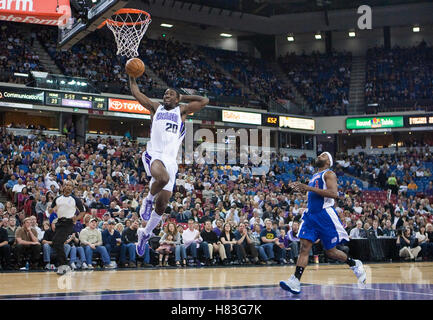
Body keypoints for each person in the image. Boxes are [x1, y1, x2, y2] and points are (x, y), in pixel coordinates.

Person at [129, 74, 210, 257]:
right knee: (162, 178)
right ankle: (147, 199)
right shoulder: (155, 108)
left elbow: (204, 100)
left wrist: (183, 97)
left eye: (170, 94)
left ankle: (145, 234)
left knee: (163, 204)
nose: (167, 96)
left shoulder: (181, 111)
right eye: (165, 94)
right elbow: (136, 93)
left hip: (171, 160)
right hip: (154, 154)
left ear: (176, 98)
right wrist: (131, 76)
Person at [280, 152, 366, 294]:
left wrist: (307, 188)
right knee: (304, 248)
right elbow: (314, 194)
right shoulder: (314, 176)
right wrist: (298, 189)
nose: (320, 156)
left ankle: (354, 264)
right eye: (320, 155)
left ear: (328, 162)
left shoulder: (329, 174)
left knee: (330, 252)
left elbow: (334, 194)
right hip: (311, 215)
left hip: (324, 215)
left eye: (324, 155)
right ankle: (295, 281)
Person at [50, 181, 87, 275]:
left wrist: (77, 218)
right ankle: (64, 266)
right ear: (63, 187)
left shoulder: (75, 199)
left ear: (72, 188)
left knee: (57, 242)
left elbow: (82, 212)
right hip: (59, 222)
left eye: (70, 185)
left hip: (69, 223)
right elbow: (51, 210)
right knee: (57, 243)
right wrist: (51, 210)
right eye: (66, 185)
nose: (68, 187)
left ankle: (63, 266)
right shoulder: (57, 198)